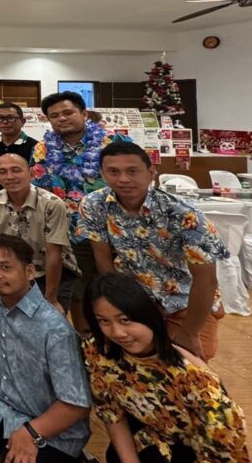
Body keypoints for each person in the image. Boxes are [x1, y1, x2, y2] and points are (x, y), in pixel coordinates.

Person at [0, 235, 92, 463]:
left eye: (5, 267)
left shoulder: (55, 329)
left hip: (46, 421)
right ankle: (9, 438)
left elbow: (77, 404)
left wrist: (31, 432)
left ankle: (68, 460)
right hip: (4, 401)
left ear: (29, 272)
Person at [83, 273, 250, 463]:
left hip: (205, 462)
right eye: (103, 321)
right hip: (150, 442)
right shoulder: (98, 351)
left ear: (149, 314)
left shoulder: (197, 380)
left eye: (125, 320)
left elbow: (222, 459)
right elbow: (112, 414)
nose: (117, 332)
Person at [78, 140, 229, 359]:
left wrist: (189, 332)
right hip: (133, 301)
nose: (123, 179)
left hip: (186, 301)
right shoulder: (93, 205)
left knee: (190, 371)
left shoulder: (183, 214)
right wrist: (118, 310)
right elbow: (104, 263)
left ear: (151, 172)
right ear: (102, 173)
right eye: (113, 172)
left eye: (132, 171)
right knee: (138, 368)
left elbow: (206, 279)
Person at [31, 90, 126, 328]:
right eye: (54, 115)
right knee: (75, 292)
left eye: (68, 112)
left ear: (84, 113)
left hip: (110, 231)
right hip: (64, 232)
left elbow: (131, 179)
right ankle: (85, 341)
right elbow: (38, 190)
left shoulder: (112, 142)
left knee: (112, 289)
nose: (61, 118)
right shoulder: (42, 149)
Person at [0, 153, 79, 314]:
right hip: (13, 272)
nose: (10, 176)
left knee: (49, 320)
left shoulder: (52, 204)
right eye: (3, 172)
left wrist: (50, 298)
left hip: (52, 272)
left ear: (31, 174)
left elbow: (54, 255)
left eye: (16, 170)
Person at [0, 102, 38, 201]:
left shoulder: (36, 147)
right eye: (0, 118)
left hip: (28, 204)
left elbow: (37, 179)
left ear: (23, 121)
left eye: (11, 117)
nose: (5, 122)